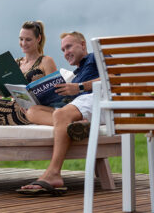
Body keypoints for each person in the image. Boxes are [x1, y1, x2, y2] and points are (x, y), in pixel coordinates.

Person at [17, 31, 99, 196]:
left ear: (83, 45)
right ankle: (75, 124)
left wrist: (81, 87)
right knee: (32, 111)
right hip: (77, 107)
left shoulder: (96, 57)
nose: (65, 52)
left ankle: (53, 173)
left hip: (96, 99)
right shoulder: (76, 76)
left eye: (68, 46)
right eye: (62, 50)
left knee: (61, 115)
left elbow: (114, 77)